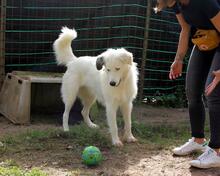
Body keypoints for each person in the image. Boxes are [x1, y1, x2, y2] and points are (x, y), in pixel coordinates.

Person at [155, 0, 220, 169]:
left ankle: (217, 151)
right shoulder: (175, 3)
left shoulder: (205, 2)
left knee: (213, 93)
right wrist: (178, 59)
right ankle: (198, 140)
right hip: (205, 39)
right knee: (192, 90)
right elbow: (185, 28)